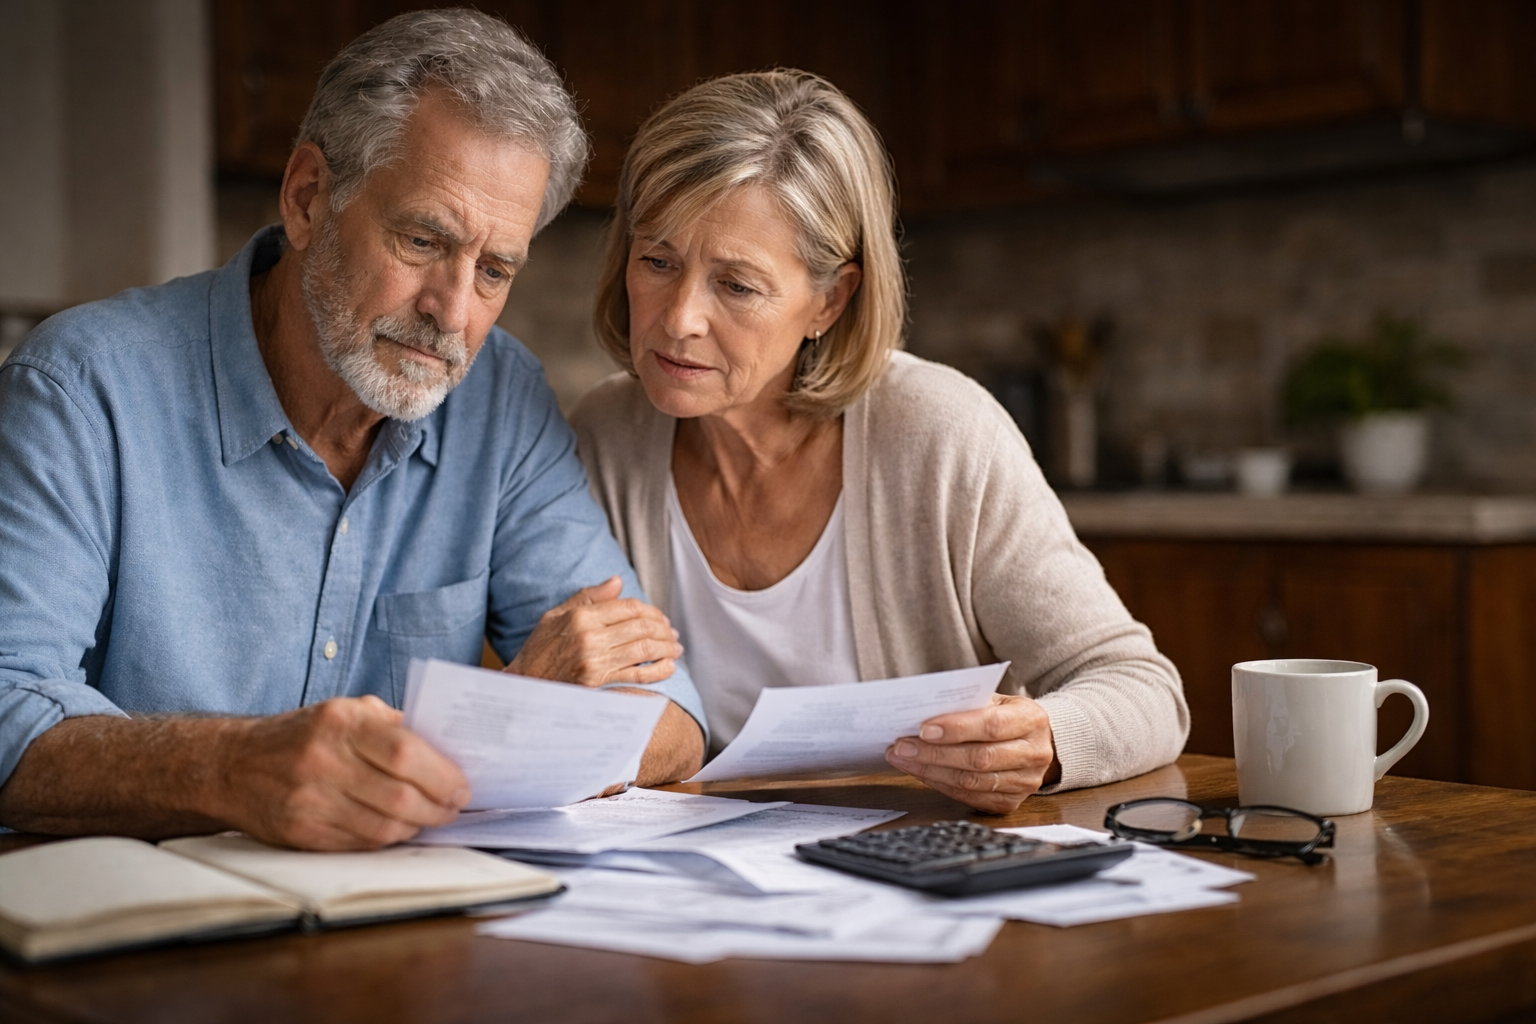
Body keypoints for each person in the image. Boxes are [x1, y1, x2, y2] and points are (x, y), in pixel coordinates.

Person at [0, 10, 705, 851]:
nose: (452, 312)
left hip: (390, 937)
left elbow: (673, 716)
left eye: (494, 271)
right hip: (138, 933)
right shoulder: (81, 386)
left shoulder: (500, 396)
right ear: (307, 199)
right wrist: (233, 769)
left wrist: (504, 721)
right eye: (420, 240)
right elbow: (9, 709)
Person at [571, 70, 1188, 814]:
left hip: (917, 877)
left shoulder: (939, 432)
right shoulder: (605, 438)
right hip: (695, 885)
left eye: (736, 285)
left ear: (829, 301)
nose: (678, 319)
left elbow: (1142, 688)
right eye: (658, 261)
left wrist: (1047, 739)